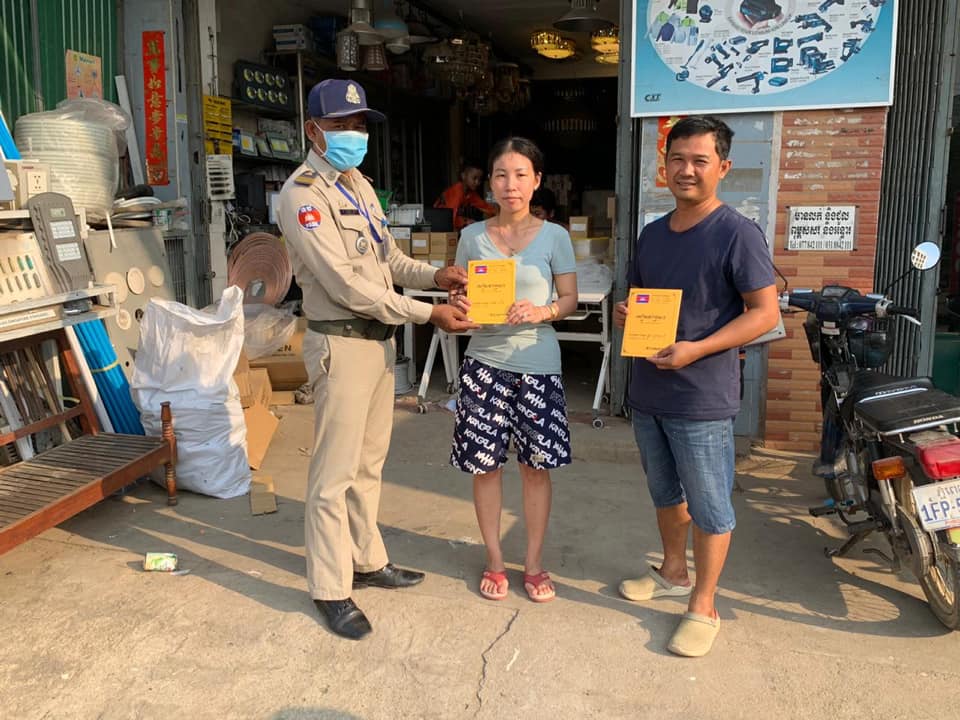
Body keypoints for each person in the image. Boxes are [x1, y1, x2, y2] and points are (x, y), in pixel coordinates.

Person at [276, 79, 477, 641]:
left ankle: (367, 560)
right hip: (340, 344)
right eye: (342, 125)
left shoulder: (358, 184)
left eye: (360, 125)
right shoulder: (302, 195)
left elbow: (388, 260)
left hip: (377, 344)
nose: (354, 134)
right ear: (313, 130)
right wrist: (428, 313)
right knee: (333, 474)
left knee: (368, 464)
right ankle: (329, 586)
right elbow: (345, 285)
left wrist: (436, 276)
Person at [613, 116, 778, 657]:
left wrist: (697, 348)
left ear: (722, 167)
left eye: (699, 160)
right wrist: (627, 314)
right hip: (648, 391)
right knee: (665, 492)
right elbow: (641, 299)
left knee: (710, 506)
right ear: (664, 167)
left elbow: (764, 314)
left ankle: (703, 605)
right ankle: (672, 572)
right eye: (677, 160)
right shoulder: (653, 234)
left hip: (701, 396)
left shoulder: (737, 233)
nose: (686, 170)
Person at [448, 137, 578, 603]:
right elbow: (458, 293)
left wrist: (542, 311)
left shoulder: (555, 237)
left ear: (537, 181)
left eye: (521, 175)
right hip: (484, 363)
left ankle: (535, 564)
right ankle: (495, 560)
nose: (510, 184)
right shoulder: (471, 238)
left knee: (535, 468)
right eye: (501, 175)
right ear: (490, 182)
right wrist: (461, 303)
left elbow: (570, 299)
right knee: (484, 467)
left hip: (538, 365)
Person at [434, 161, 497, 230]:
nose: (477, 182)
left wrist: (500, 213)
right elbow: (451, 218)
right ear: (463, 176)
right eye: (474, 178)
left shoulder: (470, 193)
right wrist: (466, 221)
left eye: (479, 179)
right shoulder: (456, 192)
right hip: (438, 222)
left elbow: (485, 207)